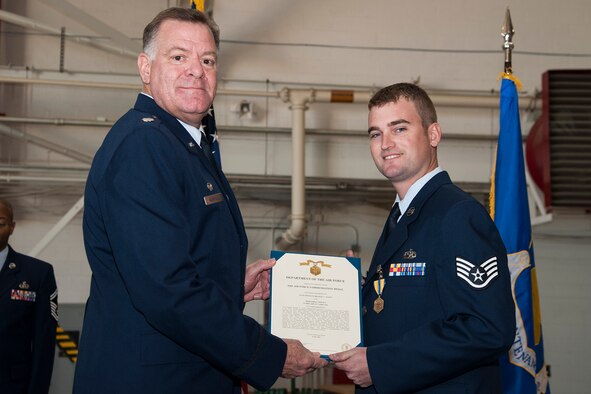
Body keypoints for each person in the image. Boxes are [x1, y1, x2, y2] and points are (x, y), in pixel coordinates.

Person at [73, 7, 325, 394]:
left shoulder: (181, 144)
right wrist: (270, 354)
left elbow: (162, 266)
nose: (196, 70)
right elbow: (168, 291)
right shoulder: (145, 146)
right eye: (178, 57)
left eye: (207, 60)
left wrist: (229, 286)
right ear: (145, 67)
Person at [330, 83, 515, 393]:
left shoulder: (456, 214)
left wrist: (379, 364)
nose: (385, 143)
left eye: (399, 129)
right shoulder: (403, 216)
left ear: (433, 135)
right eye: (375, 134)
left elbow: (487, 327)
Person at [0, 198, 58, 394]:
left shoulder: (38, 274)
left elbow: (44, 343)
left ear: (12, 227)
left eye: (0, 223)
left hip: (13, 387)